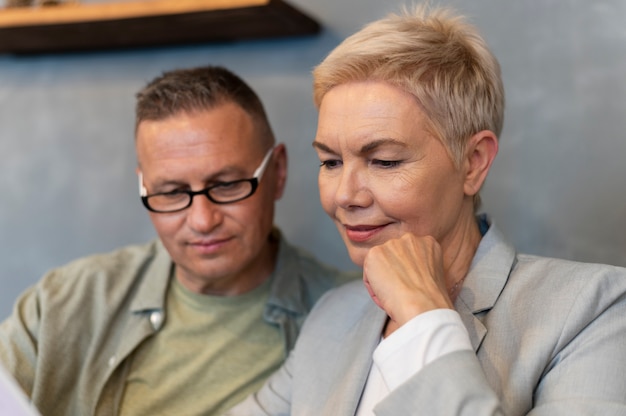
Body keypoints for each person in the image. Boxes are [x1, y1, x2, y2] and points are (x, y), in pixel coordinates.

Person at [227, 5, 626, 415]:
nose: (345, 196)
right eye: (330, 162)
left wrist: (423, 319)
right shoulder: (334, 314)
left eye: (384, 161)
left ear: (473, 163)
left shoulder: (594, 311)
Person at [0, 65, 356, 416]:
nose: (203, 220)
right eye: (171, 192)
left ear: (277, 172)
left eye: (227, 185)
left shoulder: (353, 321)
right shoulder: (61, 304)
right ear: (144, 186)